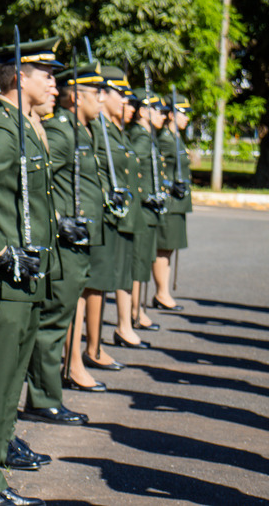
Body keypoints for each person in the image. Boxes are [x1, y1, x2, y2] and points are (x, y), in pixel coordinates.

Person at [0, 37, 61, 506]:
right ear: (21, 77)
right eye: (47, 75)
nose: (55, 85)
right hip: (2, 279)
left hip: (25, 277)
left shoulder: (24, 125)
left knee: (8, 380)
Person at [23, 63, 107, 425]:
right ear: (77, 96)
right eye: (95, 93)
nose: (102, 100)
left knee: (61, 318)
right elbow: (36, 178)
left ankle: (49, 393)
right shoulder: (61, 131)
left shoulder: (82, 132)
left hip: (80, 241)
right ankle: (44, 398)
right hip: (65, 243)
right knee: (53, 322)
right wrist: (58, 220)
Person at [81, 66, 138, 372]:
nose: (124, 101)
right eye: (120, 94)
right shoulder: (96, 126)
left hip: (115, 217)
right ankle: (90, 349)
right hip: (99, 217)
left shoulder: (110, 128)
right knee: (94, 285)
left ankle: (94, 346)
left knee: (102, 284)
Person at [125, 89, 166, 332]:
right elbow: (133, 170)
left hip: (149, 210)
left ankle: (138, 308)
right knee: (139, 263)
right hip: (142, 209)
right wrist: (144, 196)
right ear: (143, 112)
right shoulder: (141, 137)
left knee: (144, 261)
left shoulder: (147, 135)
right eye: (157, 110)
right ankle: (135, 311)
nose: (162, 115)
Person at [152, 94, 192, 311]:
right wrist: (168, 186)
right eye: (183, 113)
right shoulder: (165, 139)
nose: (186, 118)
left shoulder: (175, 138)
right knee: (163, 248)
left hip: (179, 203)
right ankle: (162, 293)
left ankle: (163, 292)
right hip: (170, 202)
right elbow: (157, 171)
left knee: (170, 249)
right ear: (171, 115)